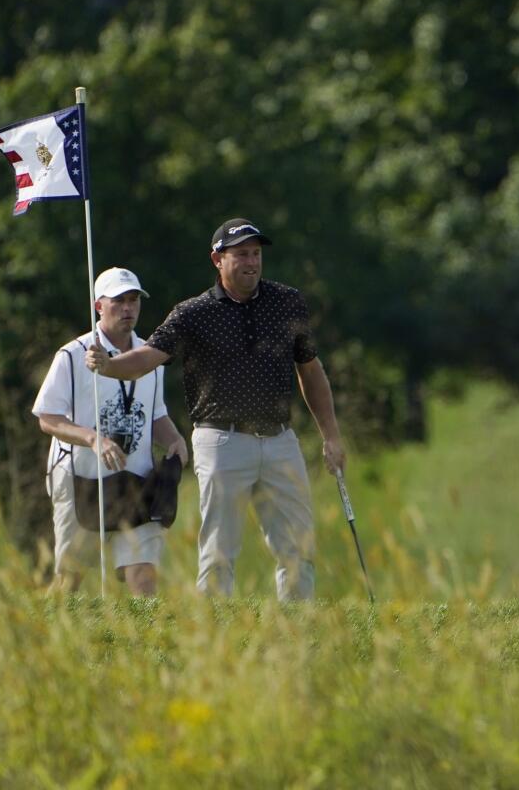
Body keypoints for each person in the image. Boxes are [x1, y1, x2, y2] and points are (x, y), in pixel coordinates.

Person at [85, 218, 346, 601]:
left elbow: (310, 369)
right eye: (241, 254)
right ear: (217, 260)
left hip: (279, 440)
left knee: (297, 547)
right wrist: (109, 366)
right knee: (219, 552)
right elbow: (146, 358)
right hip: (222, 441)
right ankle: (216, 634)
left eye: (256, 254)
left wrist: (332, 436)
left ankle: (298, 630)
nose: (251, 262)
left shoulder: (287, 302)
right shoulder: (194, 313)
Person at [33, 267, 189, 596]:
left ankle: (148, 645)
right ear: (98, 306)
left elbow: (155, 413)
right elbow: (47, 417)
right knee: (70, 580)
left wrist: (174, 440)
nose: (128, 308)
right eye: (118, 301)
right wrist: (92, 439)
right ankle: (45, 639)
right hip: (82, 477)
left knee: (143, 575)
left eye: (133, 300)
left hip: (136, 479)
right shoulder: (73, 355)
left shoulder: (150, 354)